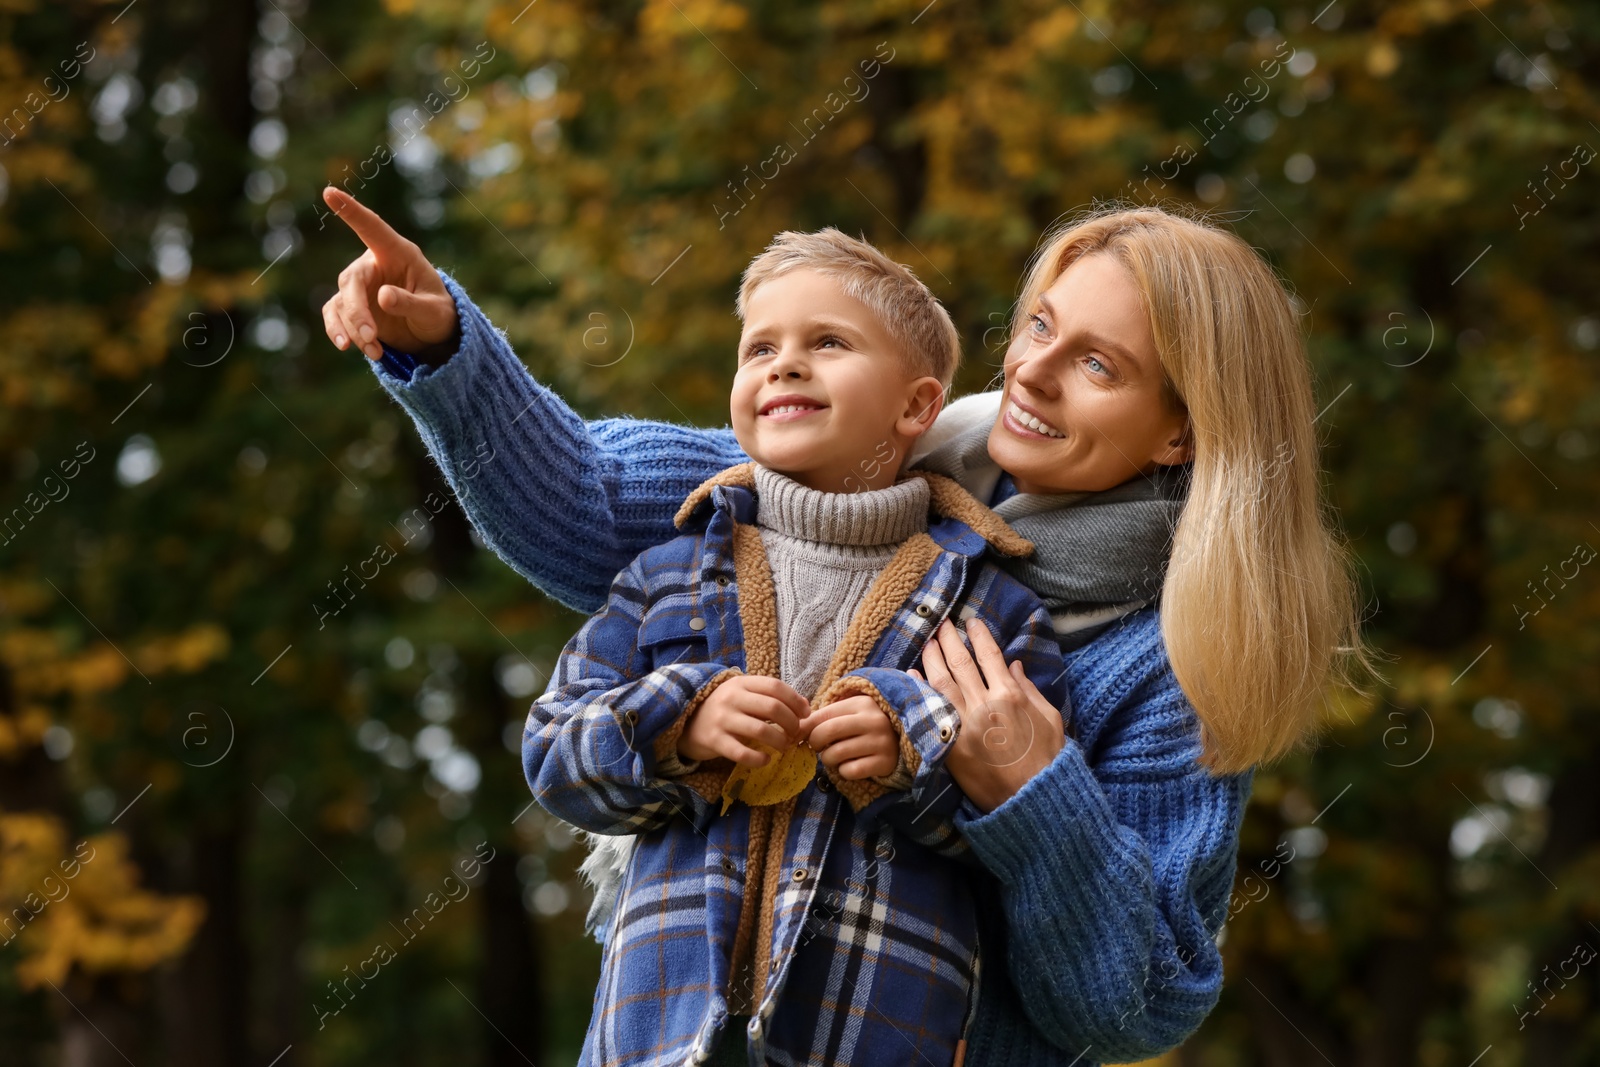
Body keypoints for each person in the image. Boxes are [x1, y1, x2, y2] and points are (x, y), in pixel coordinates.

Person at [320, 186, 1374, 1066]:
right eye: (1040, 325)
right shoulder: (880, 457)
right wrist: (445, 342)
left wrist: (1036, 796)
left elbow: (1134, 1004)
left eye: (1099, 364)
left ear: (1184, 427)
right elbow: (588, 499)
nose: (1032, 372)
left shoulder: (1177, 653)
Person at [521, 227, 1069, 1066]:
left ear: (918, 406)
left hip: (868, 1034)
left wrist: (913, 751)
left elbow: (1019, 833)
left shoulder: (992, 607)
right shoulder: (665, 574)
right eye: (760, 347)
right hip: (658, 1031)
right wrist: (681, 724)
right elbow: (554, 751)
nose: (784, 364)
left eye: (828, 342)